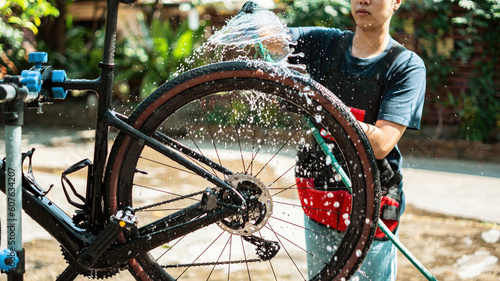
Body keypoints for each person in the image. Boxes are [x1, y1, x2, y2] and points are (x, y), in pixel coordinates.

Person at [287, 0, 427, 280]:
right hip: (320, 201)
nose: (363, 0)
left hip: (371, 213)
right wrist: (258, 20)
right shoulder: (324, 44)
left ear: (396, 2)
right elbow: (274, 37)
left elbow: (381, 143)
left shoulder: (405, 66)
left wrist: (322, 108)